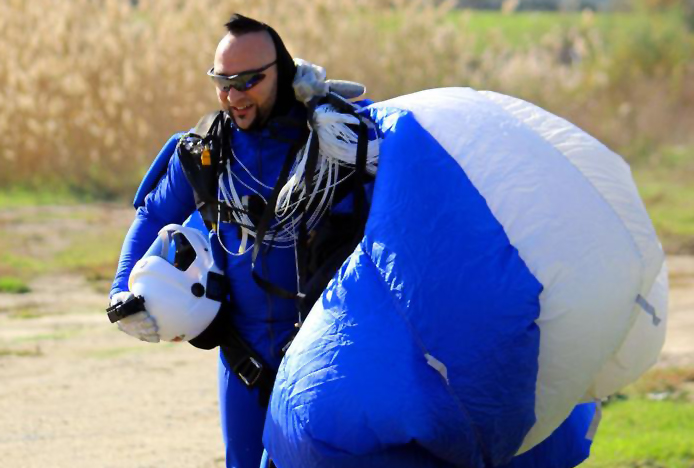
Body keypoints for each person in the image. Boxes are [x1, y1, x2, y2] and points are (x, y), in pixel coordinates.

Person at [109, 13, 372, 468]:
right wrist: (120, 290)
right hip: (242, 354)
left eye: (249, 81)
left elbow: (396, 186)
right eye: (222, 82)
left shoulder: (333, 139)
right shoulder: (204, 151)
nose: (234, 96)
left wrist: (342, 115)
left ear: (283, 72)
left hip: (325, 348)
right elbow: (153, 214)